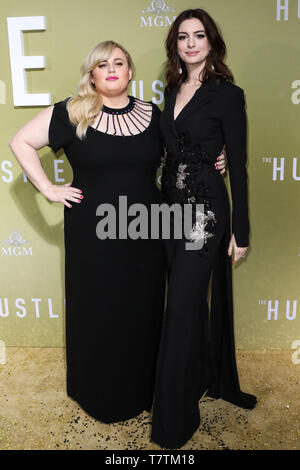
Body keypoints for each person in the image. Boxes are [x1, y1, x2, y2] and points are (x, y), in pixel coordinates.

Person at [9, 40, 226, 424]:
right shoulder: (72, 112)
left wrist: (215, 158)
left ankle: (143, 390)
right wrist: (48, 188)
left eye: (119, 62)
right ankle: (97, 393)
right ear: (91, 74)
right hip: (93, 236)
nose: (111, 69)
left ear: (129, 72)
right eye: (102, 64)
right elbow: (20, 141)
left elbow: (184, 153)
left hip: (146, 231)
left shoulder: (153, 113)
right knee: (100, 311)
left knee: (141, 312)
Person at [150, 9, 257, 449]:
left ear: (212, 42)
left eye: (199, 36)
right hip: (170, 213)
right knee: (187, 305)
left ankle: (174, 421)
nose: (191, 43)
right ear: (174, 45)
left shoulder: (228, 96)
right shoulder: (171, 89)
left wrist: (242, 231)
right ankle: (202, 377)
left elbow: (240, 166)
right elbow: (167, 150)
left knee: (180, 308)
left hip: (207, 213)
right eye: (182, 37)